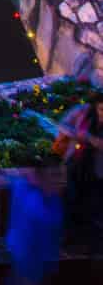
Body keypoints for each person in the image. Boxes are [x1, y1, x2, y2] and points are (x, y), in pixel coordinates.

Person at [57, 93, 103, 262]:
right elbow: (62, 126)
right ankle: (69, 243)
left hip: (97, 171)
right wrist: (86, 137)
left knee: (93, 206)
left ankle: (90, 248)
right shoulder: (82, 113)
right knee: (71, 201)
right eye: (101, 109)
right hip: (75, 165)